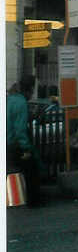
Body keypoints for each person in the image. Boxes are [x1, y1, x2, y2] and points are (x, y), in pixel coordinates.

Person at [6, 75, 42, 206]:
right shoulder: (21, 103)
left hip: (7, 143)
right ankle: (34, 201)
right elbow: (20, 129)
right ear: (30, 89)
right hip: (15, 145)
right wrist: (26, 148)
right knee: (32, 169)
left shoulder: (9, 99)